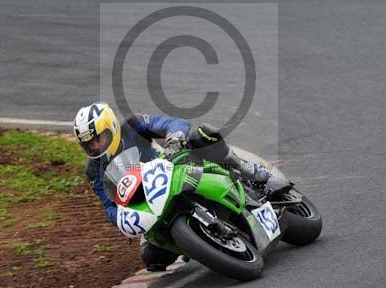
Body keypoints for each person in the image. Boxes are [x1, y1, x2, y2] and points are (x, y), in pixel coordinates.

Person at [73, 102, 270, 271]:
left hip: (171, 167)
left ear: (112, 127)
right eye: (89, 144)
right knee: (151, 258)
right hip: (146, 202)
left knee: (201, 135)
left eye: (99, 139)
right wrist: (120, 218)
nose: (96, 146)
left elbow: (174, 123)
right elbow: (109, 205)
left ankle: (245, 169)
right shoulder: (93, 170)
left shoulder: (133, 126)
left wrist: (174, 138)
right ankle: (195, 241)